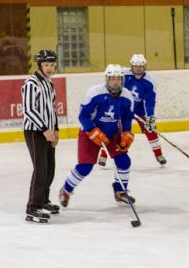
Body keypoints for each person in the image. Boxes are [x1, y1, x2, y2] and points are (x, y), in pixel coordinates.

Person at [58, 64, 136, 207]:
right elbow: (83, 116)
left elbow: (126, 117)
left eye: (118, 79)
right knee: (85, 167)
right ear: (106, 79)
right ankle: (66, 190)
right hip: (89, 134)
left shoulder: (127, 96)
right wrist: (92, 130)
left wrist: (126, 132)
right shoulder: (94, 93)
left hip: (112, 134)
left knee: (124, 161)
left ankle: (120, 192)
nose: (115, 82)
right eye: (112, 78)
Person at [98, 54, 166, 166]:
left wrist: (150, 117)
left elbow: (149, 101)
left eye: (140, 66)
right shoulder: (123, 75)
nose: (138, 68)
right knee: (112, 130)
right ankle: (104, 155)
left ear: (145, 67)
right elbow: (114, 88)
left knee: (151, 130)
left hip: (139, 110)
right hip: (122, 108)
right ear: (131, 66)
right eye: (135, 66)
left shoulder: (150, 81)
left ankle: (159, 155)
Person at [21, 49, 60, 223]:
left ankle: (43, 200)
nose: (50, 68)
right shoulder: (32, 83)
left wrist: (56, 129)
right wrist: (45, 129)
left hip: (48, 132)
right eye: (46, 65)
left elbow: (51, 108)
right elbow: (29, 110)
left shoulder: (49, 83)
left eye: (52, 65)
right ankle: (33, 207)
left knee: (50, 168)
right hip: (35, 132)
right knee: (41, 168)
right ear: (40, 65)